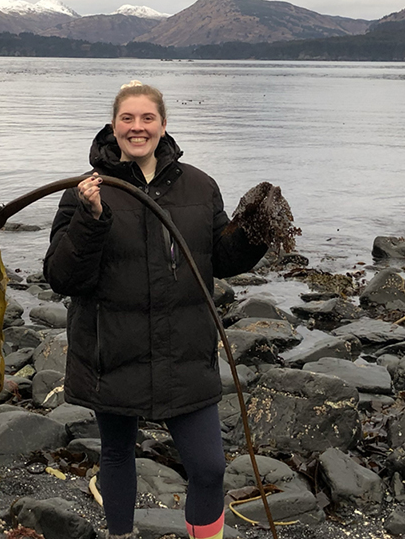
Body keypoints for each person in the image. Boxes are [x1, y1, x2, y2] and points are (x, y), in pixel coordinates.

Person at [44, 80, 267, 539]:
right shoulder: (83, 192)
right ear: (113, 125)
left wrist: (254, 233)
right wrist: (91, 219)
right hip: (113, 350)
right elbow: (63, 277)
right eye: (128, 118)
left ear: (164, 126)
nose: (137, 127)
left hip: (182, 350)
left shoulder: (201, 187)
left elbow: (220, 259)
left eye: (147, 118)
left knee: (208, 467)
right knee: (118, 454)